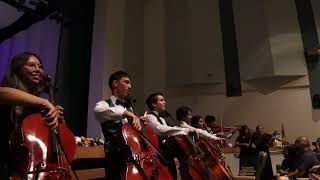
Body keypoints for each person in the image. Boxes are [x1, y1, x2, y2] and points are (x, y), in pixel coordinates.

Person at [0, 52, 61, 178]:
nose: (38, 69)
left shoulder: (36, 104)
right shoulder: (8, 92)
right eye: (31, 65)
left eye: (39, 66)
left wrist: (52, 118)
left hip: (24, 164)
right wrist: (44, 102)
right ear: (18, 69)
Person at [94, 70, 142, 179]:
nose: (130, 86)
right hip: (114, 156)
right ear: (115, 83)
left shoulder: (129, 107)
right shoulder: (104, 104)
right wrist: (125, 113)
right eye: (126, 82)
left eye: (130, 83)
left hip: (133, 155)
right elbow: (99, 110)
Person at [145, 92, 193, 180]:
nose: (165, 102)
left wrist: (181, 130)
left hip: (168, 151)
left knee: (173, 172)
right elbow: (160, 129)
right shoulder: (149, 117)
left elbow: (170, 129)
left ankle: (187, 167)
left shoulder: (162, 118)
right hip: (161, 151)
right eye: (162, 100)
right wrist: (182, 130)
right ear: (154, 103)